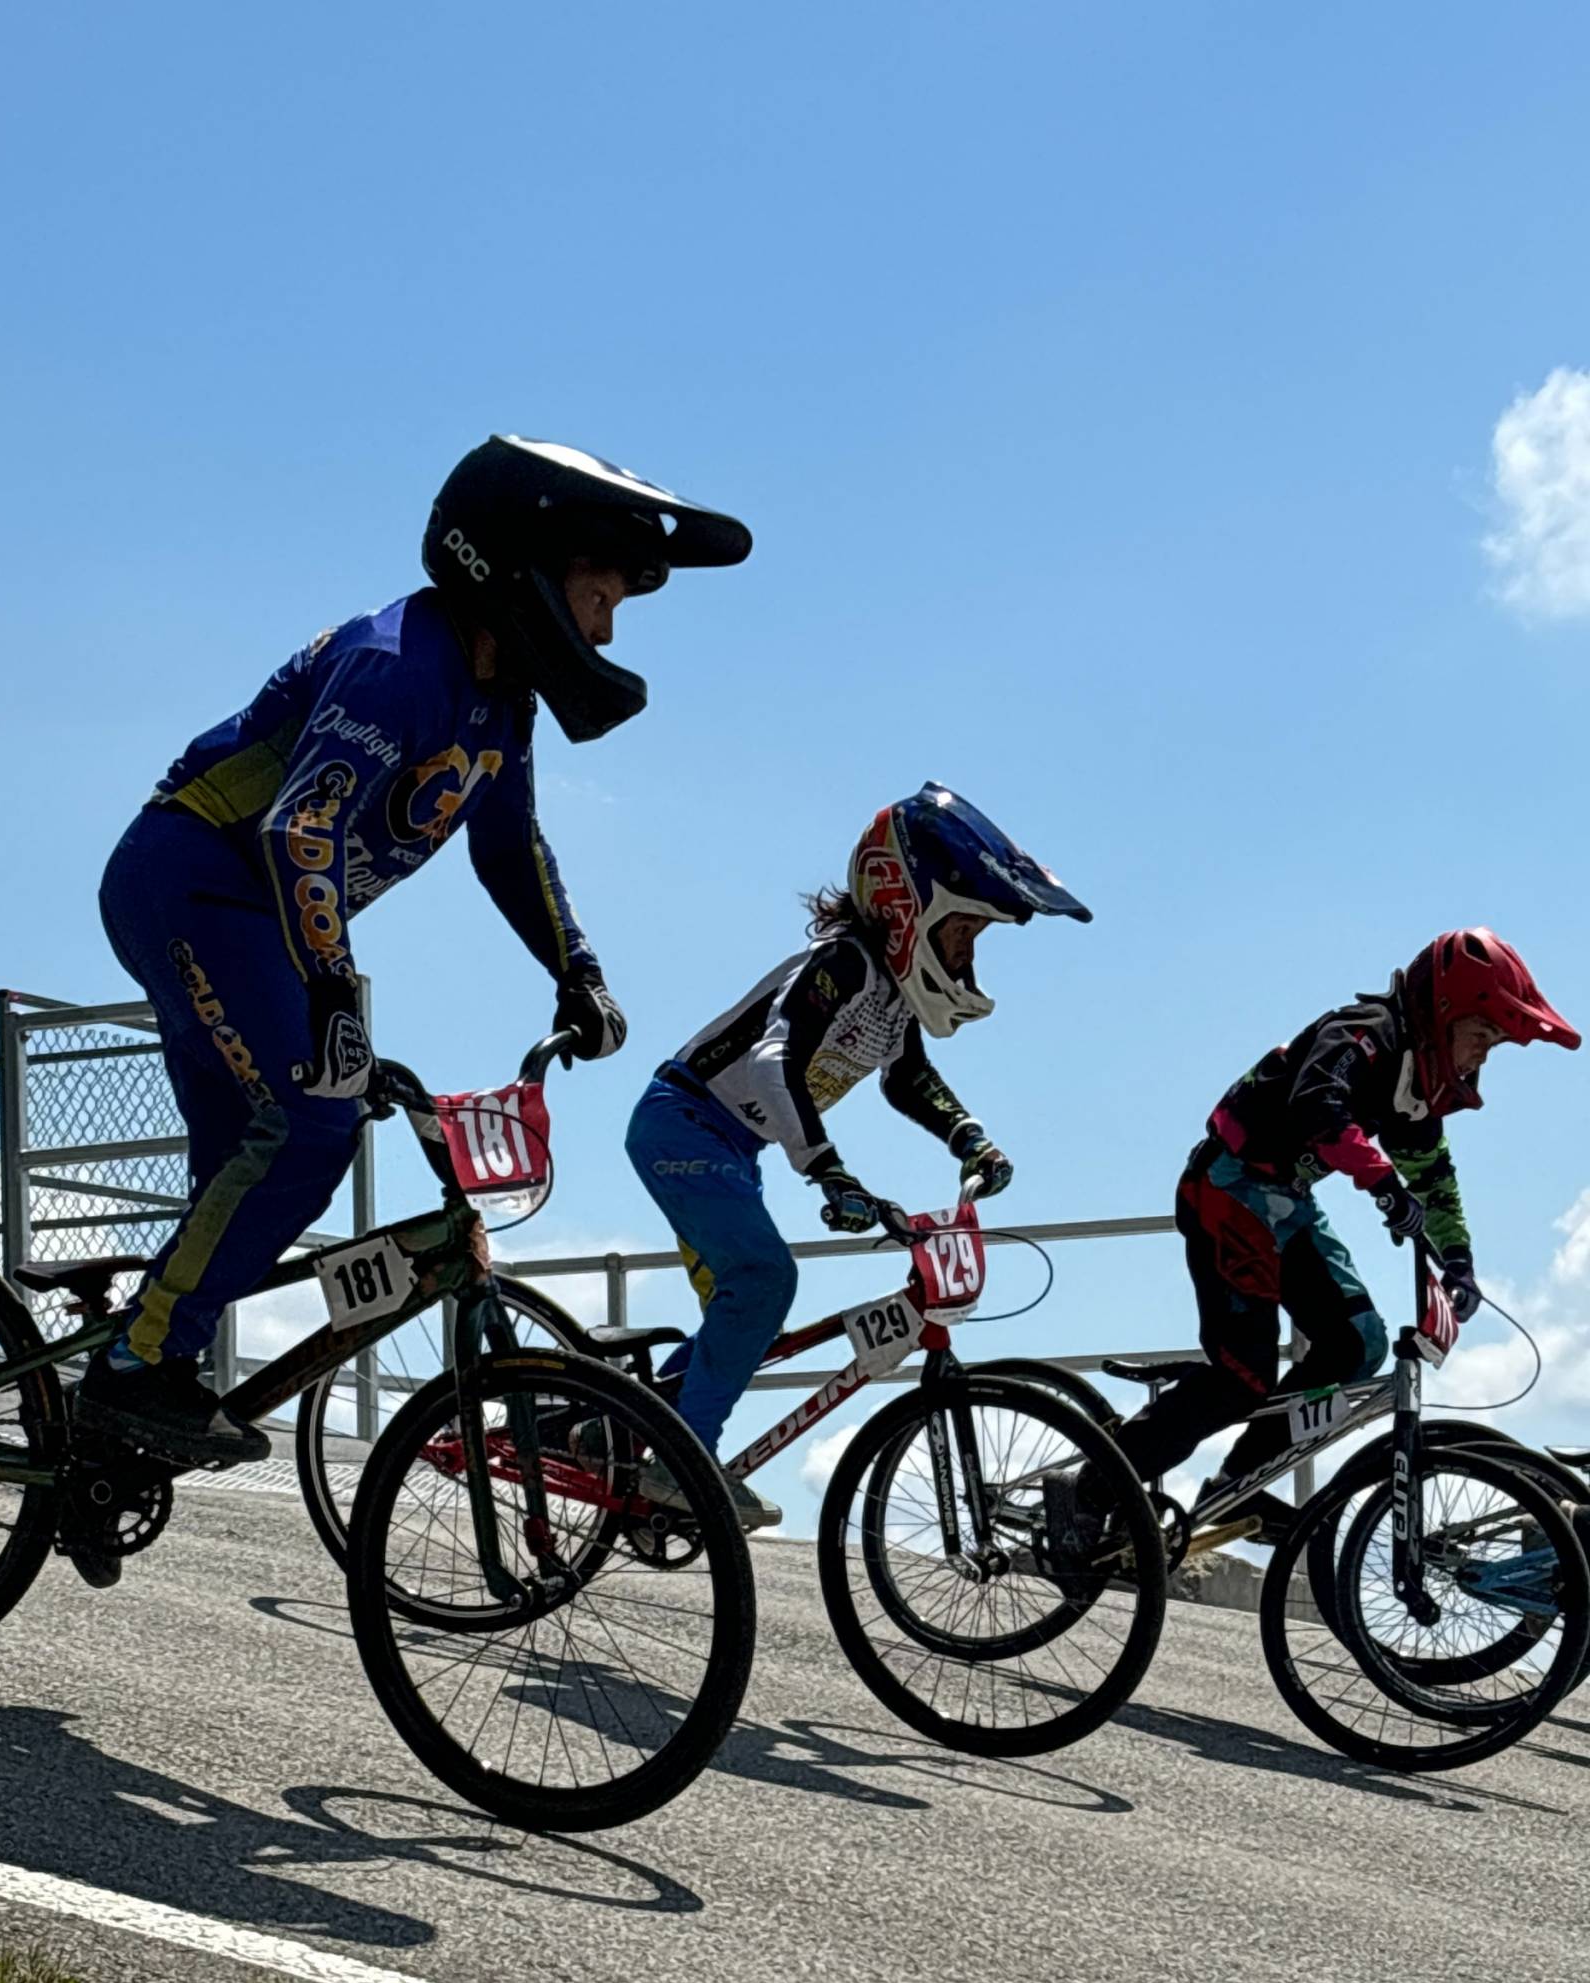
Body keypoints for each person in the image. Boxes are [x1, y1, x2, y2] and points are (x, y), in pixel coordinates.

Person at [78, 436, 751, 1468]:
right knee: (312, 1122)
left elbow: (510, 848)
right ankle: (132, 1374)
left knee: (244, 1178)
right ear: (522, 565)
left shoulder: (500, 701)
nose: (607, 628)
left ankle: (98, 1447)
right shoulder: (402, 663)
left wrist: (577, 971)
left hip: (257, 915)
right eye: (600, 594)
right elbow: (298, 831)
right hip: (193, 878)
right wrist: (335, 992)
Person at [623, 782, 1092, 1531]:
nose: (969, 952)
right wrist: (828, 1171)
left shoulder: (895, 994)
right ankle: (683, 1467)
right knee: (765, 1280)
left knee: (742, 1316)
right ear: (909, 909)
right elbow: (779, 1060)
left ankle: (612, 1428)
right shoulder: (843, 962)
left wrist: (970, 1137)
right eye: (965, 929)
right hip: (681, 1124)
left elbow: (906, 1078)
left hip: (732, 1146)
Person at [1086, 927, 1580, 1543]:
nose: (1482, 1058)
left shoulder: (1416, 1086)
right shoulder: (1365, 1031)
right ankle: (1089, 1491)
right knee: (1244, 1376)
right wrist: (1379, 1180)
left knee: (1358, 1343)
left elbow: (1433, 1178)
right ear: (1444, 1011)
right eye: (1482, 1037)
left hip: (1287, 1205)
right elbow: (1318, 1104)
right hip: (1225, 1188)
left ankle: (1236, 1483)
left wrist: (1458, 1260)